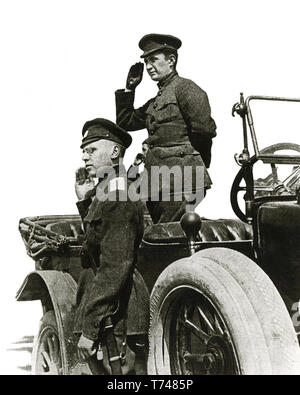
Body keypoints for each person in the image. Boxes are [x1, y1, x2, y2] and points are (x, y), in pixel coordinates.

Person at [73, 118, 149, 375]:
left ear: (115, 152)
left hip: (117, 315)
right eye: (83, 151)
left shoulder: (119, 194)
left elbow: (113, 268)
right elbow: (96, 242)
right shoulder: (106, 191)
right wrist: (85, 200)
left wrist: (90, 328)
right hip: (108, 310)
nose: (85, 156)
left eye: (92, 150)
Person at [115, 33, 217, 223]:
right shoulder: (156, 100)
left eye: (153, 60)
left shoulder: (186, 89)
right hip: (160, 181)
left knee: (170, 234)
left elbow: (204, 131)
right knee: (163, 234)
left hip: (181, 180)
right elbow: (125, 122)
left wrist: (192, 165)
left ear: (171, 60)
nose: (148, 67)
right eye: (146, 62)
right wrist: (130, 90)